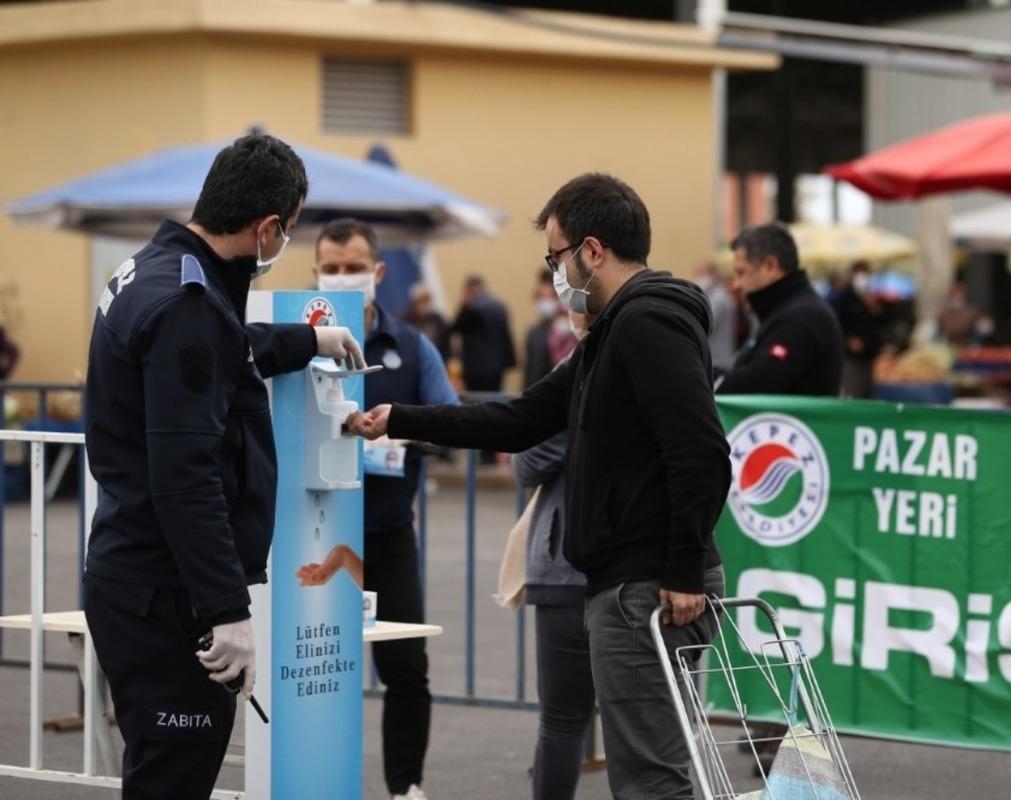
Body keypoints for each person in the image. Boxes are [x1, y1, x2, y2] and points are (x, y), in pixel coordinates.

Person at [349, 173, 730, 800]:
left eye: (556, 257)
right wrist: (402, 418)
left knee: (650, 781)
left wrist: (684, 567)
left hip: (648, 586)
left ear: (592, 250)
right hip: (630, 582)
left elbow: (701, 451)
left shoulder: (645, 323)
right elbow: (522, 418)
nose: (555, 274)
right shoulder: (609, 335)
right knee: (647, 773)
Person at [82, 134, 365, 800]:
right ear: (267, 228)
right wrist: (228, 610)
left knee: (162, 772)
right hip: (167, 593)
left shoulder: (160, 271)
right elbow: (185, 476)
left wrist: (309, 339)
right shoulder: (190, 305)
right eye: (288, 230)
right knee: (172, 778)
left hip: (136, 576)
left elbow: (220, 354)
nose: (283, 241)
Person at [312, 217, 460, 800]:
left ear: (377, 272)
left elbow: (450, 423)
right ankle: (311, 779)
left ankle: (405, 787)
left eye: (353, 268)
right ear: (315, 272)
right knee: (311, 664)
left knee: (405, 669)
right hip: (312, 535)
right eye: (331, 268)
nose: (342, 277)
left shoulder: (411, 346)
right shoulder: (295, 338)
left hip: (387, 533)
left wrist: (396, 434)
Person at [511, 309, 590, 800]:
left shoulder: (580, 366)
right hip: (643, 566)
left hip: (569, 570)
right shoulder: (673, 353)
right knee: (651, 723)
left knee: (563, 719)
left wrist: (569, 434)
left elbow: (527, 459)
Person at [717, 223, 843, 396]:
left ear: (770, 266)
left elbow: (759, 381)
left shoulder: (800, 318)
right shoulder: (788, 310)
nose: (736, 285)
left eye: (741, 273)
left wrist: (704, 379)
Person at [452, 274, 516, 396]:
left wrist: (463, 305)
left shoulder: (471, 308)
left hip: (477, 369)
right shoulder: (500, 306)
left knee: (478, 401)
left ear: (470, 290)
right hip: (498, 366)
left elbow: (456, 328)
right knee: (495, 398)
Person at [831, 260, 882, 398]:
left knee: (867, 394)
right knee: (852, 392)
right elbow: (835, 323)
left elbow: (879, 324)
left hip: (869, 356)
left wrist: (874, 309)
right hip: (850, 358)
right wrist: (848, 340)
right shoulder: (843, 297)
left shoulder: (872, 297)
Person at [694, 261, 737, 376]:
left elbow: (705, 323)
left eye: (702, 273)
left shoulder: (718, 298)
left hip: (717, 361)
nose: (699, 278)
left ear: (713, 274)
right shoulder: (715, 296)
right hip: (717, 359)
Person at [523, 271, 561, 388]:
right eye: (540, 298)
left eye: (547, 298)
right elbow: (531, 370)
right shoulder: (534, 332)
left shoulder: (566, 332)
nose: (542, 303)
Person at [406, 281, 451, 361]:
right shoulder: (407, 323)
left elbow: (446, 343)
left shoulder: (437, 319)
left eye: (427, 300)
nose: (424, 305)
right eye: (420, 301)